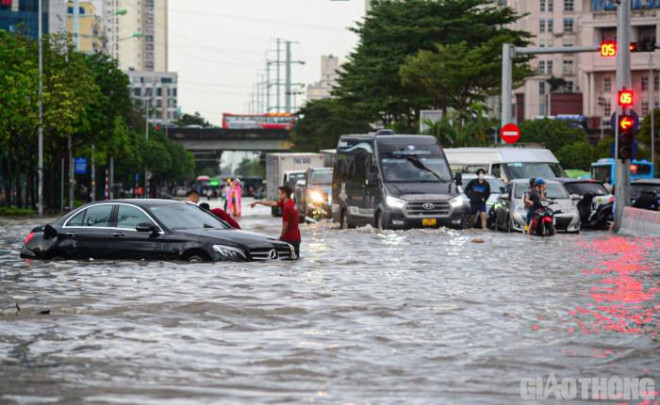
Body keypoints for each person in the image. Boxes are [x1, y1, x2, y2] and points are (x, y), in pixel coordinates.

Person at [249, 185, 301, 258]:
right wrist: (258, 202)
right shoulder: (290, 203)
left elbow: (286, 225)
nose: (278, 196)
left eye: (279, 194)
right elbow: (272, 203)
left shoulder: (287, 207)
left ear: (284, 194)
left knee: (288, 262)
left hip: (290, 239)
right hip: (296, 238)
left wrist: (281, 237)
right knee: (295, 260)